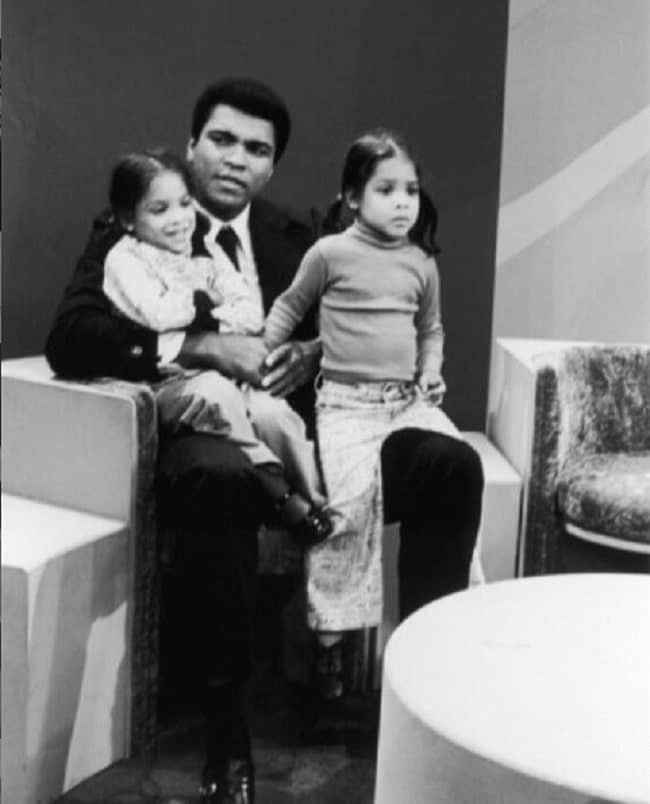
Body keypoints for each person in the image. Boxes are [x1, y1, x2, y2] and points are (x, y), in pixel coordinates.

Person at [45, 79, 483, 804]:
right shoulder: (135, 226)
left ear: (272, 165)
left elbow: (351, 317)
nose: (235, 158)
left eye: (256, 149)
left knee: (449, 463)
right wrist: (204, 346)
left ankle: (422, 703)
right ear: (191, 146)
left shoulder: (301, 237)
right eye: (221, 140)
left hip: (319, 426)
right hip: (204, 430)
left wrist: (312, 352)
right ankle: (227, 734)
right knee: (222, 478)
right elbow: (72, 336)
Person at [264, 128, 483, 699]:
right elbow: (289, 306)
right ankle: (331, 639)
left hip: (405, 403)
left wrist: (431, 369)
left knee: (462, 467)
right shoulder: (329, 253)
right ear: (352, 197)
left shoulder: (421, 262)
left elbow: (431, 329)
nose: (403, 202)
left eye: (411, 190)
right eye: (386, 190)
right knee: (347, 505)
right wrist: (257, 355)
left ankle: (438, 641)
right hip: (345, 407)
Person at [103, 148, 330, 547]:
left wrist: (204, 313)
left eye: (185, 203)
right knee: (218, 397)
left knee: (274, 413)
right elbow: (158, 314)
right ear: (128, 219)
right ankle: (278, 493)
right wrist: (207, 302)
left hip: (222, 372)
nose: (179, 219)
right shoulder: (124, 260)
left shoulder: (203, 247)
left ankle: (317, 503)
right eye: (159, 210)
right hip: (167, 382)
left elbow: (250, 313)